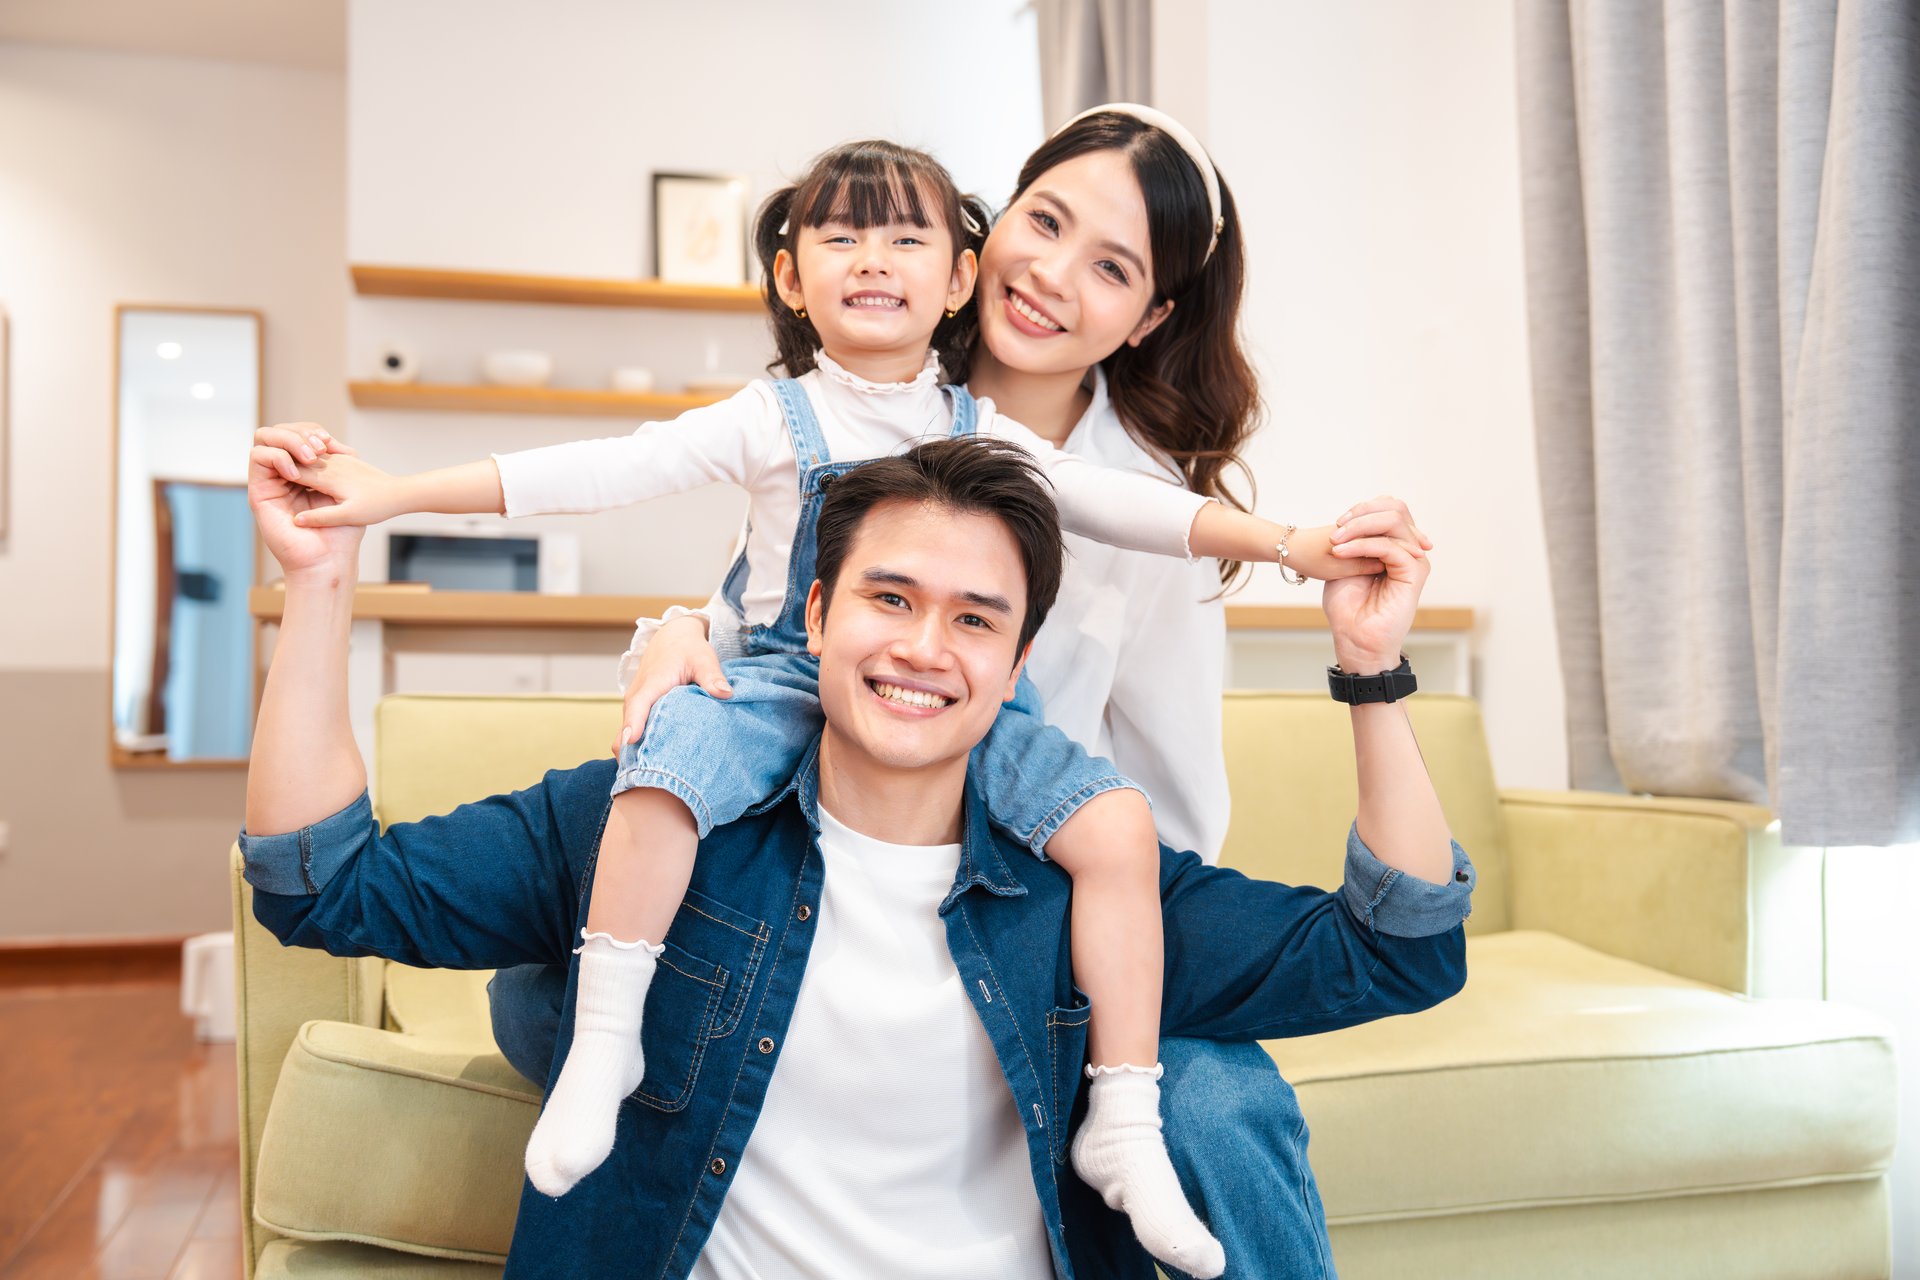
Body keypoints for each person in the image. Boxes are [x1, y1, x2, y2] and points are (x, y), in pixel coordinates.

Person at [273, 128, 1412, 1272]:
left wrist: (1300, 564)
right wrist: (672, 636)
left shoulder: (1130, 505)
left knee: (1212, 1094)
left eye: (1112, 266)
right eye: (1046, 223)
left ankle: (1110, 1117)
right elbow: (744, 581)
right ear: (983, 241)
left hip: (1032, 887)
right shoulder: (842, 395)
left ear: (1151, 314)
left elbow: (1198, 832)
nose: (1055, 275)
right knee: (554, 990)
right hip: (799, 814)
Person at [241, 430, 1473, 1280]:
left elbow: (1399, 950)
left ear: (1016, 661)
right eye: (890, 598)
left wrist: (1370, 668)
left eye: (975, 619)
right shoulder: (655, 825)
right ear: (817, 614)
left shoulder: (1086, 890)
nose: (925, 647)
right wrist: (321, 583)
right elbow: (319, 882)